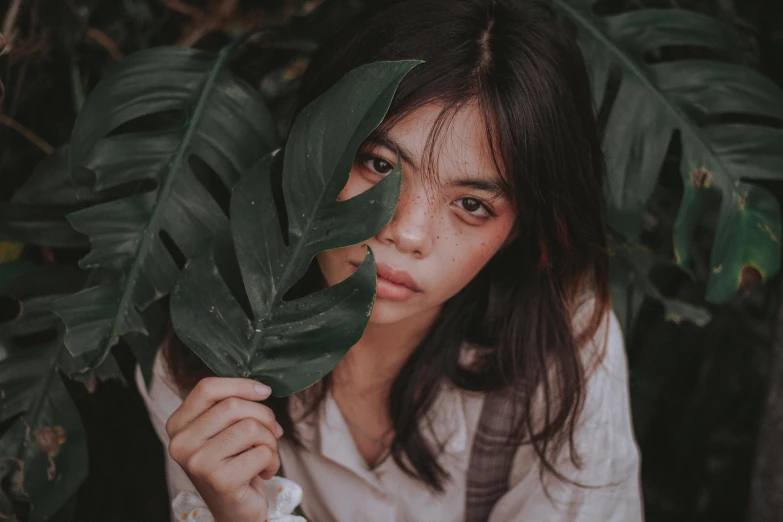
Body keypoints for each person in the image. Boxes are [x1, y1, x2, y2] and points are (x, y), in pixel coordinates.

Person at [135, 0, 644, 520]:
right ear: (313, 146)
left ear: (521, 228)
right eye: (380, 164)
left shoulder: (564, 349)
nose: (407, 232)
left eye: (472, 204)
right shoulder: (207, 358)